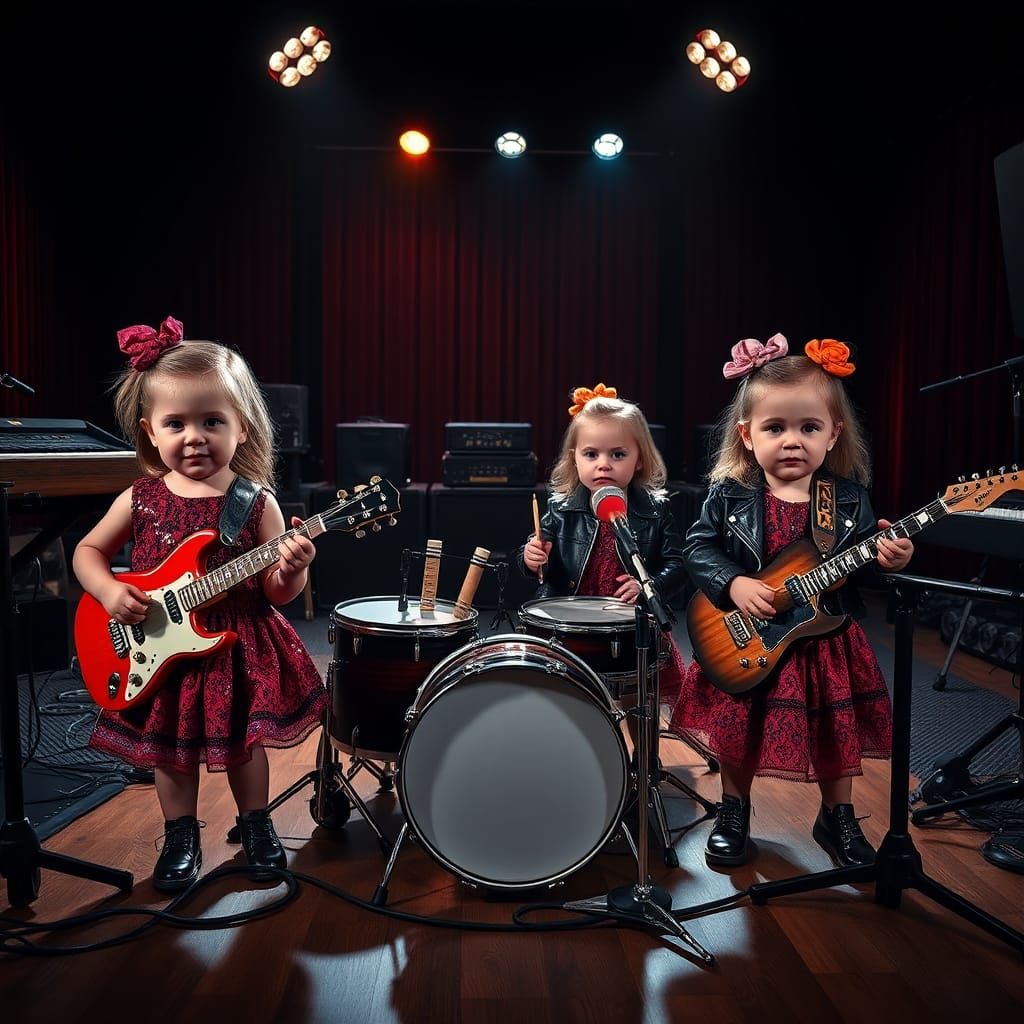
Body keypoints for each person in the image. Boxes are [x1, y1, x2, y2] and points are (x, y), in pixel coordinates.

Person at [73, 316, 327, 892]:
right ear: (150, 432)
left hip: (237, 642)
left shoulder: (255, 501)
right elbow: (88, 551)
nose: (195, 436)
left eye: (212, 421)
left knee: (244, 742)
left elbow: (275, 594)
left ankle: (256, 826)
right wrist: (110, 590)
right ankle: (180, 834)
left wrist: (294, 567)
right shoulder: (140, 497)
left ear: (242, 428)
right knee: (169, 751)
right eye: (176, 423)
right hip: (157, 649)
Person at [670, 334, 913, 868]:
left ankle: (838, 816)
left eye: (809, 428)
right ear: (747, 435)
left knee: (834, 729)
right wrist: (733, 583)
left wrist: (890, 558)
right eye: (774, 428)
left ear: (834, 435)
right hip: (746, 636)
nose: (792, 441)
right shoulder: (731, 494)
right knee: (739, 726)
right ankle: (734, 809)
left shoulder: (846, 500)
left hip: (825, 644)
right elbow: (698, 546)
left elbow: (866, 562)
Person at [516, 382, 688, 747]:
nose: (603, 464)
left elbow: (678, 564)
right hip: (571, 626)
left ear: (639, 459)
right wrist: (530, 558)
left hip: (631, 624)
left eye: (618, 454)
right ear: (574, 459)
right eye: (591, 454)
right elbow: (537, 562)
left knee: (637, 698)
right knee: (574, 700)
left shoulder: (655, 510)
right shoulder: (560, 509)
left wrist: (649, 585)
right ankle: (583, 763)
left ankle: (644, 765)